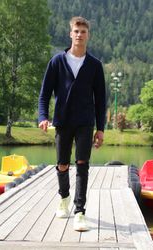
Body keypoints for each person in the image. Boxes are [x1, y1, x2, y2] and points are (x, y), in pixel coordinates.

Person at [38, 16, 106, 231]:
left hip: (86, 122)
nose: (79, 35)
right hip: (62, 121)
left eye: (83, 32)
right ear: (70, 34)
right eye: (76, 31)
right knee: (62, 164)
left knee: (83, 165)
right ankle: (64, 198)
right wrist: (42, 117)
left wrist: (101, 129)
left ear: (88, 35)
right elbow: (44, 94)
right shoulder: (57, 61)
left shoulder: (95, 65)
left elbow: (101, 99)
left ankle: (79, 212)